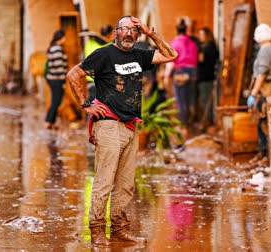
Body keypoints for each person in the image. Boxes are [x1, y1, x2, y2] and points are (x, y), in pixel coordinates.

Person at [67, 15, 177, 246]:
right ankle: (97, 230)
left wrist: (151, 33)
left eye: (133, 31)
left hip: (130, 126)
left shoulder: (139, 55)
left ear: (137, 35)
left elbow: (171, 55)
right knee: (104, 181)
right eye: (124, 29)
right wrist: (86, 104)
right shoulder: (103, 54)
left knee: (126, 184)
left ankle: (119, 229)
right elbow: (73, 75)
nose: (129, 34)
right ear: (116, 32)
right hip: (108, 124)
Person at [246, 24, 271, 163]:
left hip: (267, 90)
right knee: (270, 122)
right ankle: (265, 154)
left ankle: (265, 154)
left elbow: (262, 73)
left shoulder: (264, 51)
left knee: (263, 124)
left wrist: (254, 93)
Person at [164, 18, 198, 127]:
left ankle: (183, 125)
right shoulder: (193, 43)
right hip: (193, 72)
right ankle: (191, 123)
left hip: (180, 72)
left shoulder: (175, 42)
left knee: (181, 100)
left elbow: (171, 61)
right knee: (191, 99)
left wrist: (166, 76)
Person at [44, 29, 68, 130]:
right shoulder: (57, 49)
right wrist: (63, 81)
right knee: (56, 101)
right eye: (64, 37)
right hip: (56, 79)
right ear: (60, 38)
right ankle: (48, 121)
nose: (65, 39)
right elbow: (59, 67)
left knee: (56, 101)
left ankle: (51, 122)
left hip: (52, 78)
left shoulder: (53, 48)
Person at [196, 27, 219, 127]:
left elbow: (200, 60)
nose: (200, 37)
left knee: (206, 100)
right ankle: (208, 120)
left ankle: (208, 121)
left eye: (201, 35)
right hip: (209, 76)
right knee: (207, 99)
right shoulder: (213, 46)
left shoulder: (206, 48)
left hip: (205, 77)